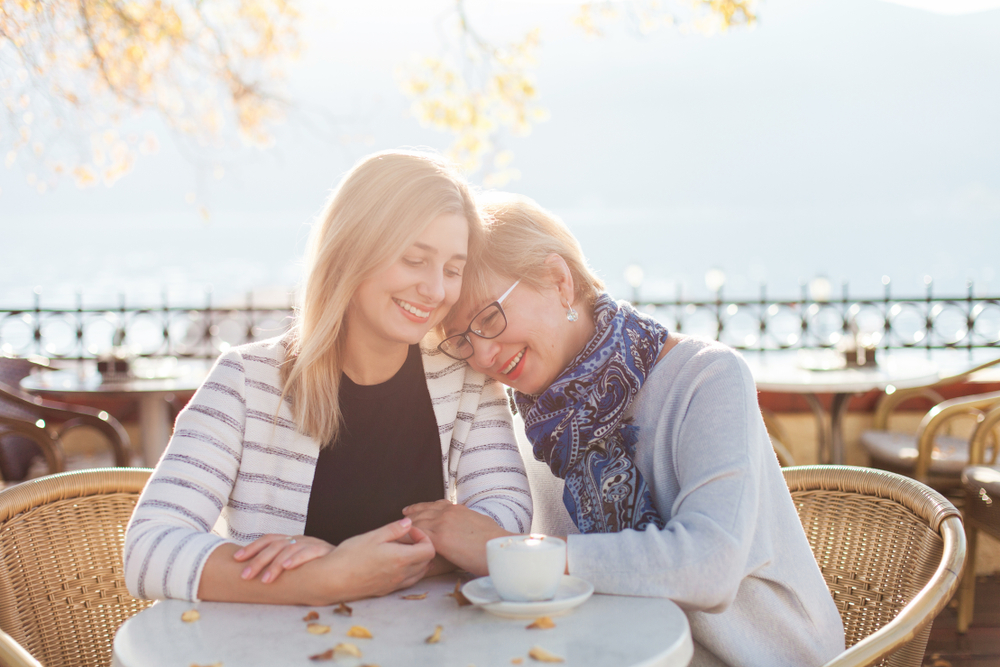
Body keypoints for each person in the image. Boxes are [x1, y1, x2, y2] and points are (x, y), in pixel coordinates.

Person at [402, 193, 845, 667]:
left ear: (559, 281)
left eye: (489, 318)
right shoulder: (529, 419)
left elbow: (709, 566)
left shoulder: (708, 377)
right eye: (463, 341)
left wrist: (508, 553)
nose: (484, 357)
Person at [123, 151, 531, 606]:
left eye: (452, 270)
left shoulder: (465, 381)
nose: (436, 291)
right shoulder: (244, 382)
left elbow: (507, 519)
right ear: (352, 250)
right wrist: (320, 579)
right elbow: (147, 550)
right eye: (415, 260)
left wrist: (373, 565)